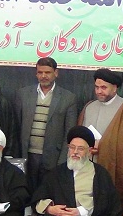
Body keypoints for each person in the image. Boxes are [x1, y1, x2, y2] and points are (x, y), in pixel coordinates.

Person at [78, 68, 123, 207]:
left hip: (112, 168)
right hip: (87, 167)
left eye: (104, 87)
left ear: (115, 88)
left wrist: (103, 146)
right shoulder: (89, 107)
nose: (99, 91)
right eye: (97, 87)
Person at [14, 57, 77, 191]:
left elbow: (69, 133)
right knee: (26, 191)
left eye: (47, 72)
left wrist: (63, 160)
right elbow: (17, 126)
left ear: (56, 73)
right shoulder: (23, 94)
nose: (43, 76)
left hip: (53, 156)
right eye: (40, 72)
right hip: (27, 155)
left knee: (47, 193)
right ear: (36, 73)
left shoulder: (68, 98)